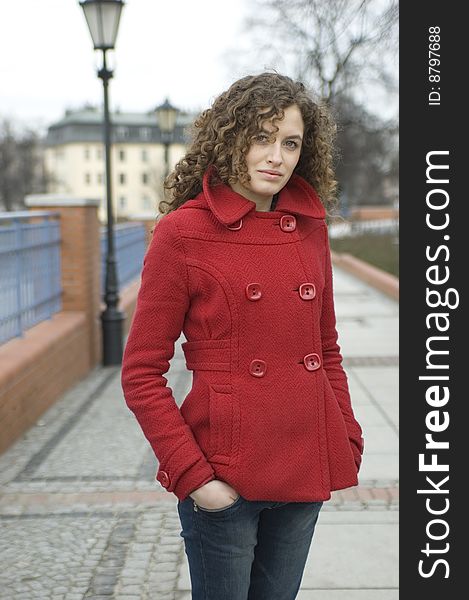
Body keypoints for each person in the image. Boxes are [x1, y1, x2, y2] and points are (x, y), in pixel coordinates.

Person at [121, 71, 364, 600]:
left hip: (303, 466)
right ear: (230, 138)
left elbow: (325, 349)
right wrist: (195, 479)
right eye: (261, 137)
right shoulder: (184, 233)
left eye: (290, 142)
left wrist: (345, 436)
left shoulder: (309, 229)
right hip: (223, 474)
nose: (275, 156)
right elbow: (141, 373)